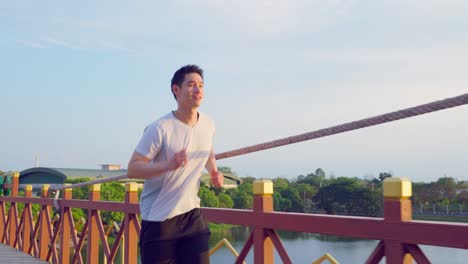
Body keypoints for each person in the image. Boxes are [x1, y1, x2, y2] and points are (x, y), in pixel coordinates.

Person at [127, 64, 223, 264]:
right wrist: (168, 165)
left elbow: (207, 150)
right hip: (160, 219)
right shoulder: (159, 128)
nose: (197, 90)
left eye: (201, 85)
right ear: (176, 90)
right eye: (191, 85)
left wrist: (214, 170)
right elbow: (133, 168)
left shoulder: (208, 123)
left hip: (192, 215)